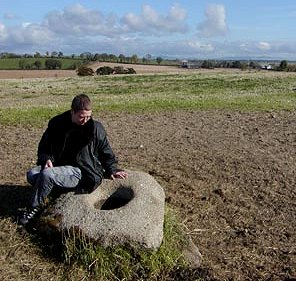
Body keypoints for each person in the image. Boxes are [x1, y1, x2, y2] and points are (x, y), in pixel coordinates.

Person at [19, 94, 127, 225]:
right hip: (59, 165)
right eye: (81, 117)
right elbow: (44, 146)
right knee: (32, 174)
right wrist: (46, 158)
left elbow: (106, 150)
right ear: (72, 112)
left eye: (88, 116)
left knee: (47, 175)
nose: (85, 120)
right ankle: (55, 189)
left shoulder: (96, 128)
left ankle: (33, 208)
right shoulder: (57, 124)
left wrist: (112, 169)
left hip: (82, 171)